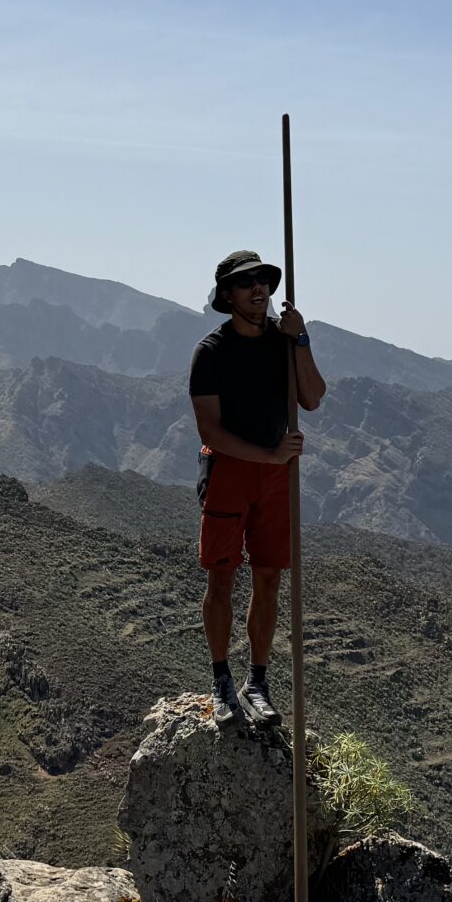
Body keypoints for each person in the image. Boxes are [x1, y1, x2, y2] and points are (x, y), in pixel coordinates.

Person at [188, 248, 327, 727]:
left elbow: (311, 398)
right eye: (246, 283)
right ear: (228, 295)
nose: (259, 289)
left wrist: (302, 339)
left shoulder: (283, 343)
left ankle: (257, 682)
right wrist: (269, 455)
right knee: (221, 578)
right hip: (230, 471)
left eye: (264, 281)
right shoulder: (211, 353)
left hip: (275, 477)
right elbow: (210, 431)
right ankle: (221, 678)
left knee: (269, 577)